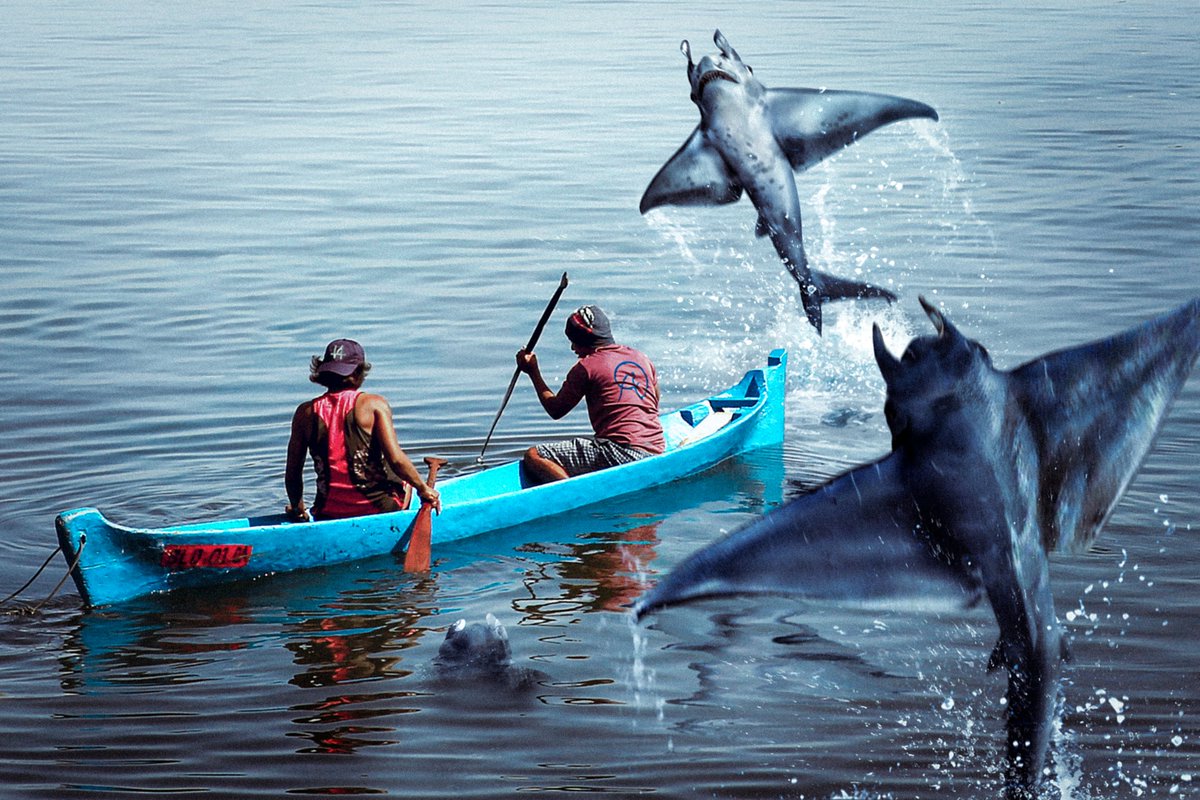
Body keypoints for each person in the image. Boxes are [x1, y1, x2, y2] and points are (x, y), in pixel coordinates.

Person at [285, 338, 440, 522]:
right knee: (404, 480)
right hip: (379, 509)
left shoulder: (304, 413)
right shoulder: (374, 405)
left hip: (327, 512)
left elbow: (293, 472)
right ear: (359, 373)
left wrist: (297, 507)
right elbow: (396, 460)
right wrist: (423, 489)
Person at [515, 305, 664, 484]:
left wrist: (533, 372)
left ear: (585, 340)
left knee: (536, 455)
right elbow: (654, 402)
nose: (572, 348)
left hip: (621, 452)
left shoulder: (586, 367)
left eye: (574, 341)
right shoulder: (641, 358)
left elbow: (555, 410)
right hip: (655, 448)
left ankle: (572, 492)